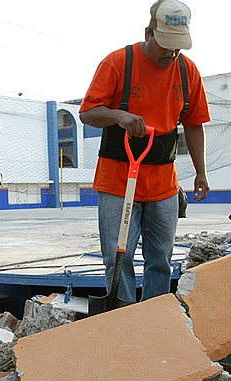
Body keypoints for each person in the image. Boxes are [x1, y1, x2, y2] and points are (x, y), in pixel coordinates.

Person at [79, 0, 210, 304]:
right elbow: (88, 113)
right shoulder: (118, 63)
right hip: (117, 179)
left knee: (160, 258)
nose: (171, 53)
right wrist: (118, 116)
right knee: (117, 257)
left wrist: (201, 171)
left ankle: (154, 317)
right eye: (165, 45)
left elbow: (194, 125)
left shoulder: (188, 72)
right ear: (148, 32)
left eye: (178, 47)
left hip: (163, 182)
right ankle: (124, 315)